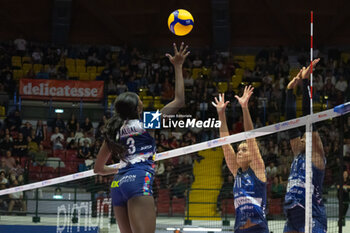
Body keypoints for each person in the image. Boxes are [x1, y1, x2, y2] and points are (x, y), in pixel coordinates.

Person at [94, 42, 189, 233]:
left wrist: (122, 169)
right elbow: (179, 101)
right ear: (138, 108)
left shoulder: (114, 130)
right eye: (140, 100)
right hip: (138, 179)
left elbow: (98, 169)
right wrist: (178, 66)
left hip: (118, 183)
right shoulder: (148, 122)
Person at [212, 86, 268, 233]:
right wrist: (221, 114)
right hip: (239, 229)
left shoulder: (257, 168)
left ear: (252, 154)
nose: (239, 153)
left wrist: (244, 107)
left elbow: (250, 137)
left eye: (244, 150)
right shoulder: (237, 173)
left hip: (258, 229)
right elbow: (225, 143)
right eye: (238, 150)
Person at [283, 58, 327, 233]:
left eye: (304, 136)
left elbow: (308, 119)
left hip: (312, 216)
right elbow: (291, 124)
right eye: (299, 137)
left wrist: (306, 81)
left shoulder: (317, 158)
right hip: (293, 216)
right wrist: (289, 91)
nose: (300, 138)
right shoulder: (297, 153)